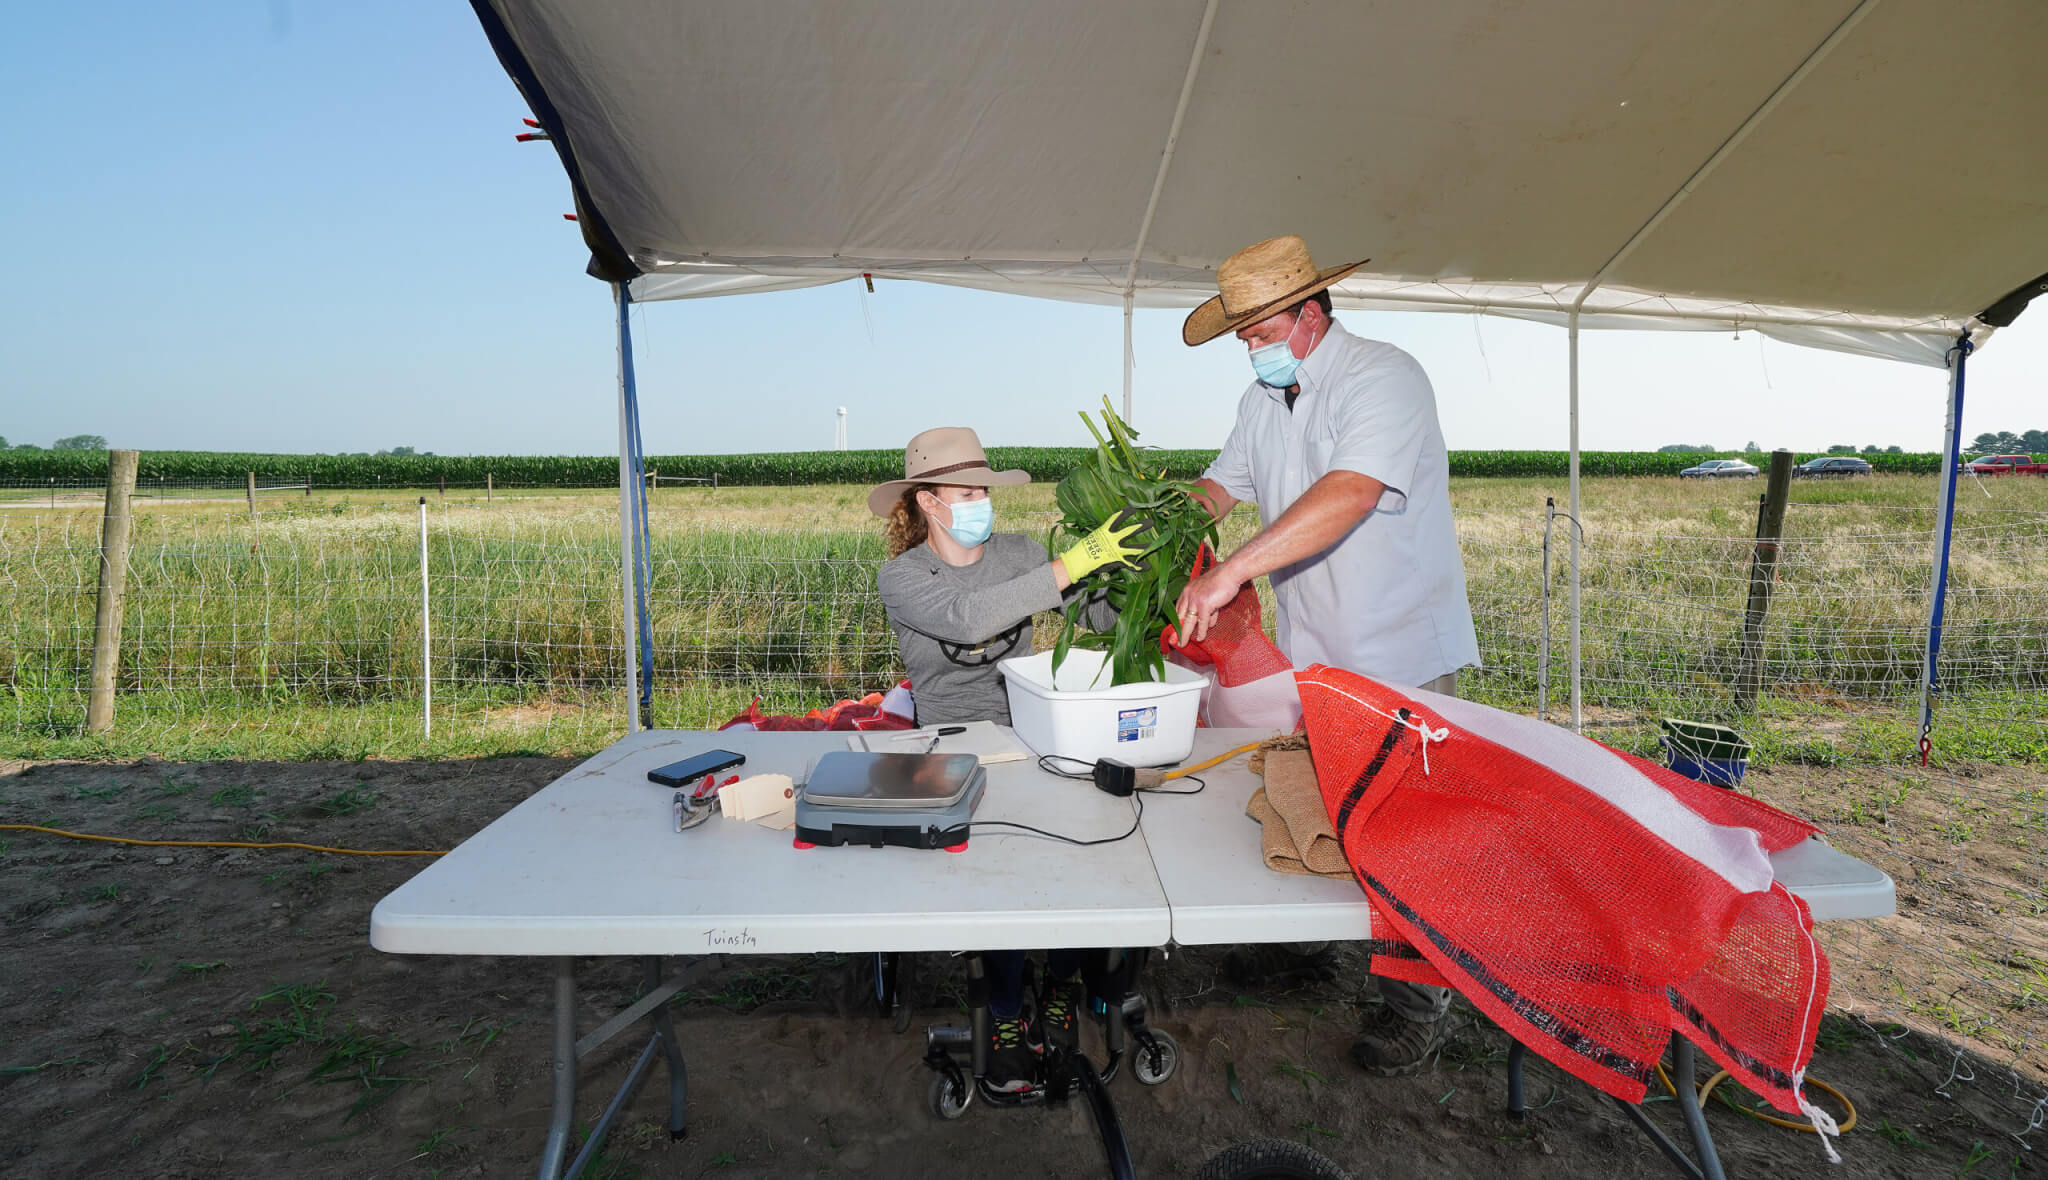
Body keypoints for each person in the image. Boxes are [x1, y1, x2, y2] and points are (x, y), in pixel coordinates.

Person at [1173, 235, 1480, 1077]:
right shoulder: (1260, 402)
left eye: (1259, 330)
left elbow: (1350, 489)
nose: (1250, 347)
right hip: (1320, 652)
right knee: (1320, 804)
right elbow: (1220, 486)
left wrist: (1234, 567)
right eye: (1242, 336)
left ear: (1311, 315)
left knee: (1411, 833)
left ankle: (1418, 1006)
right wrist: (1161, 514)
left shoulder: (1383, 377)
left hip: (1399, 646)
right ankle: (1306, 949)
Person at [869, 426, 1152, 1090]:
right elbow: (971, 619)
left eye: (985, 493)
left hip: (1035, 732)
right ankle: (1001, 1009)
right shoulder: (904, 576)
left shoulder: (1021, 553)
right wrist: (1067, 567)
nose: (981, 504)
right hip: (956, 747)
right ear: (929, 503)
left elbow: (1101, 616)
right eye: (967, 494)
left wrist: (1128, 570)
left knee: (1076, 848)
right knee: (997, 876)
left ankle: (1060, 984)